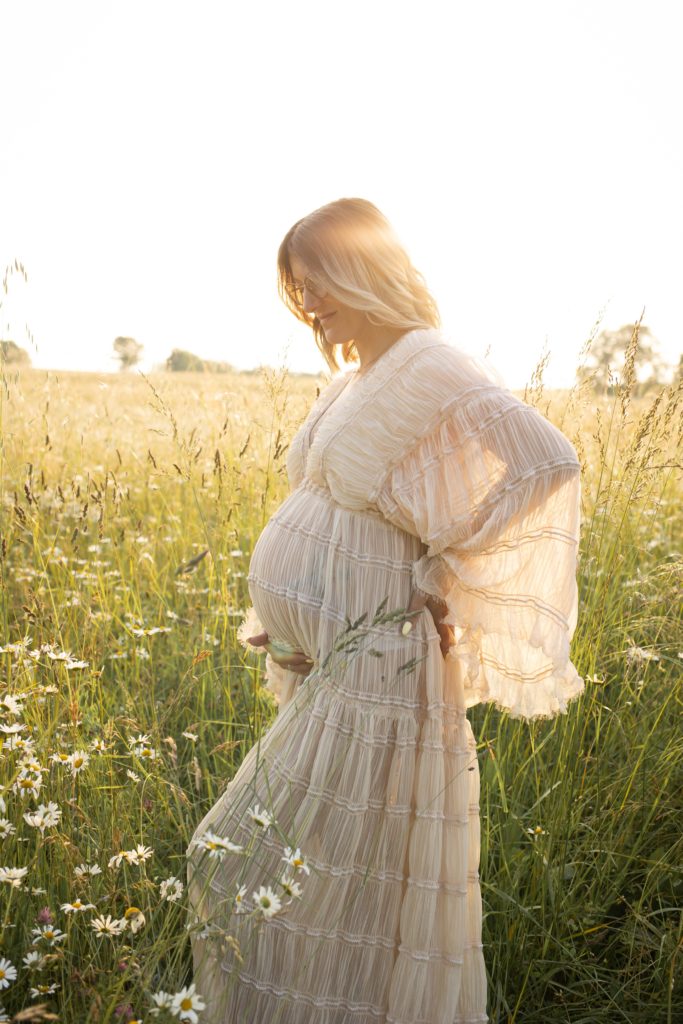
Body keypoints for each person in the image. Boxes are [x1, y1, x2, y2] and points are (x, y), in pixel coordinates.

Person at [186, 197, 584, 1023]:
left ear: (368, 271)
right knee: (311, 880)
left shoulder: (430, 362)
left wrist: (445, 568)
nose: (311, 304)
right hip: (334, 663)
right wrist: (289, 623)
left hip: (379, 670)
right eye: (298, 288)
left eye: (322, 281)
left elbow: (544, 459)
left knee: (242, 869)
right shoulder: (352, 379)